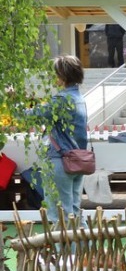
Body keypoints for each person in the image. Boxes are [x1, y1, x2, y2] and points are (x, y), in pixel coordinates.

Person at [43, 55, 89, 219]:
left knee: (59, 215)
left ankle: (62, 238)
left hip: (60, 159)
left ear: (63, 76)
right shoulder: (79, 99)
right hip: (78, 159)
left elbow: (35, 115)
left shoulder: (61, 99)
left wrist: (15, 103)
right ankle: (83, 237)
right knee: (75, 212)